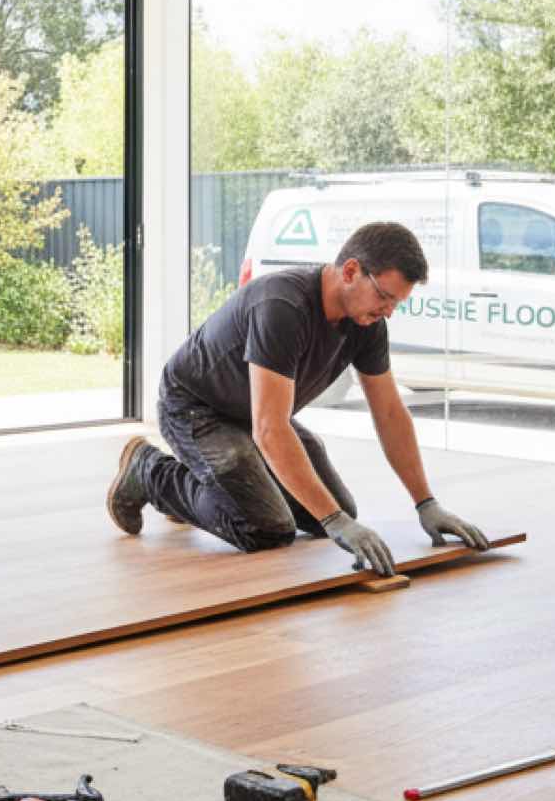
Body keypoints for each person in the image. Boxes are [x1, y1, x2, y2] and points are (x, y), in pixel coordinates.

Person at [107, 220, 490, 577]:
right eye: (385, 297)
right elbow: (271, 429)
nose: (388, 311)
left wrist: (426, 502)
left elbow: (389, 412)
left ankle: (209, 488)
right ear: (352, 271)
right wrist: (335, 521)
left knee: (337, 511)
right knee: (265, 528)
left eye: (396, 304)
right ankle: (150, 471)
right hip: (195, 408)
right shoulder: (283, 306)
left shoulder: (367, 322)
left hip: (252, 415)